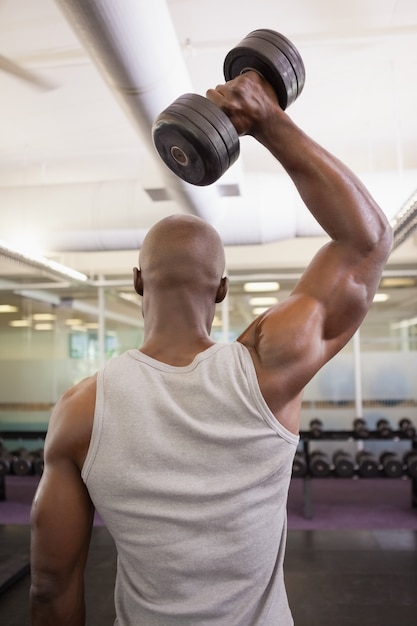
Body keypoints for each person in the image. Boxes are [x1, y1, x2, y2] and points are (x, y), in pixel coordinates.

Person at [30, 71, 392, 625]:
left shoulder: (80, 410)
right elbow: (366, 241)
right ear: (222, 291)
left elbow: (51, 587)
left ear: (136, 283)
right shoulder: (269, 369)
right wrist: (269, 120)